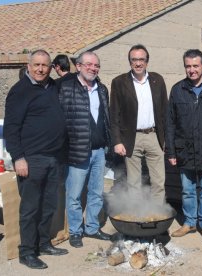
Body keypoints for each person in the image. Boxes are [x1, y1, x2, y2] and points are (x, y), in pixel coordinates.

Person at [4, 49, 68, 269]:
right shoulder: (19, 91)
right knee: (30, 208)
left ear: (51, 67)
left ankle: (43, 242)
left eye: (45, 65)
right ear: (29, 66)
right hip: (32, 159)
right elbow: (11, 129)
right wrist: (18, 157)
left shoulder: (52, 87)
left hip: (54, 158)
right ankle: (27, 252)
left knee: (49, 205)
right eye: (37, 65)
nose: (41, 69)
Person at [166, 49, 202, 243]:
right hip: (184, 149)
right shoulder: (177, 89)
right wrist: (171, 151)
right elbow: (170, 123)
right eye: (188, 66)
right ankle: (189, 222)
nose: (192, 70)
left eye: (195, 66)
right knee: (187, 190)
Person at [59, 51, 112, 248]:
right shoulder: (66, 88)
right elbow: (60, 121)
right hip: (77, 150)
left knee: (96, 192)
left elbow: (106, 119)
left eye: (96, 65)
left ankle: (92, 227)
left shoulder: (102, 89)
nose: (93, 68)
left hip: (99, 151)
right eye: (88, 64)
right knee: (74, 194)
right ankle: (75, 231)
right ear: (78, 66)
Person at [110, 44, 168, 203]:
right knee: (133, 183)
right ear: (129, 62)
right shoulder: (119, 82)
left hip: (155, 137)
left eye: (141, 59)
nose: (138, 63)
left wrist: (166, 139)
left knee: (158, 182)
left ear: (147, 62)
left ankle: (156, 216)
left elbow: (165, 112)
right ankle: (136, 217)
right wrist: (117, 141)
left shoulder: (158, 80)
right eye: (134, 60)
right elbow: (114, 114)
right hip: (131, 138)